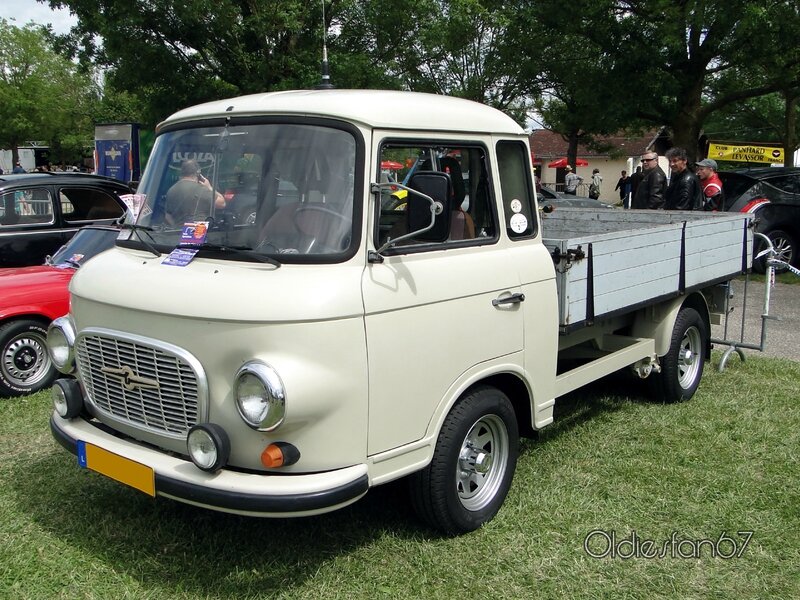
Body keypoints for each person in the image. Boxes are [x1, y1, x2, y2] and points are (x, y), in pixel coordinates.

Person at [165, 159, 226, 226]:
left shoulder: (171, 191)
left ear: (182, 173)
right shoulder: (201, 189)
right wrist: (209, 187)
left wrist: (177, 228)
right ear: (198, 174)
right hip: (200, 233)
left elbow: (168, 216)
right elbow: (222, 204)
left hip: (178, 234)